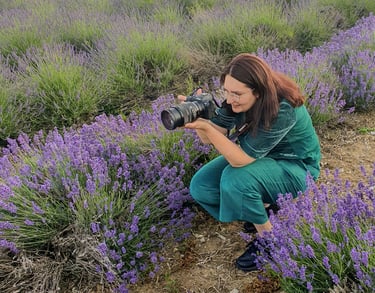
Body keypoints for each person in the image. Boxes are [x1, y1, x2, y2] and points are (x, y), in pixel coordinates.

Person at [178, 53, 321, 272]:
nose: (229, 98)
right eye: (226, 90)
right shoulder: (234, 101)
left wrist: (206, 127)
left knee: (235, 179)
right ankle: (262, 206)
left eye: (237, 93)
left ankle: (270, 241)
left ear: (258, 90)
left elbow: (240, 160)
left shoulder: (283, 107)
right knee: (201, 186)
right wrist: (198, 118)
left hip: (296, 167)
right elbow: (211, 137)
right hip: (261, 159)